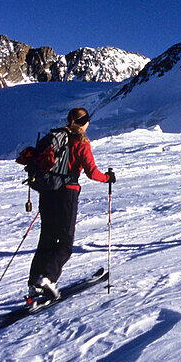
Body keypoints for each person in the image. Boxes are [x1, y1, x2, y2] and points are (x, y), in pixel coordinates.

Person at [16, 108, 115, 299]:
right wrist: (108, 178)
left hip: (47, 191)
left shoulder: (56, 137)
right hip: (67, 193)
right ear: (84, 122)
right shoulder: (81, 142)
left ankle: (34, 284)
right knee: (66, 242)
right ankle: (48, 278)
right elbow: (91, 171)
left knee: (46, 239)